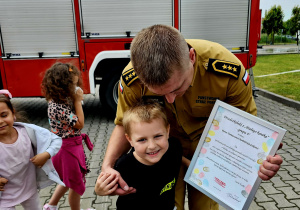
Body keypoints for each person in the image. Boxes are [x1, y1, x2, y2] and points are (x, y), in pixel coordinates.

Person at [100, 24, 283, 210]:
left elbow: (246, 128)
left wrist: (261, 157)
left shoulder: (228, 71)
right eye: (160, 94)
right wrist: (107, 167)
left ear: (192, 57)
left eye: (177, 88)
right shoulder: (132, 79)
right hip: (165, 149)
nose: (169, 100)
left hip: (210, 148)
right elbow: (124, 124)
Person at [95, 102, 189, 209]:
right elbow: (106, 188)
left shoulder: (174, 147)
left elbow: (178, 156)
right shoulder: (124, 166)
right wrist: (99, 190)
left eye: (157, 136)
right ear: (130, 139)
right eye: (142, 139)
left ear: (167, 131)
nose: (152, 146)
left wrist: (190, 165)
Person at [41, 63, 94, 210]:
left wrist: (75, 99)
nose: (76, 88)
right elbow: (80, 123)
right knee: (76, 184)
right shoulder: (56, 107)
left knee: (67, 180)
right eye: (73, 85)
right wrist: (77, 101)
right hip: (66, 150)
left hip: (70, 146)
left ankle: (50, 206)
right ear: (62, 86)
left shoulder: (62, 100)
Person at [0, 89, 64, 210]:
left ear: (13, 113)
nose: (0, 121)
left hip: (29, 189)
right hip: (5, 197)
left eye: (4, 115)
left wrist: (46, 154)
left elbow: (56, 140)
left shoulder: (28, 132)